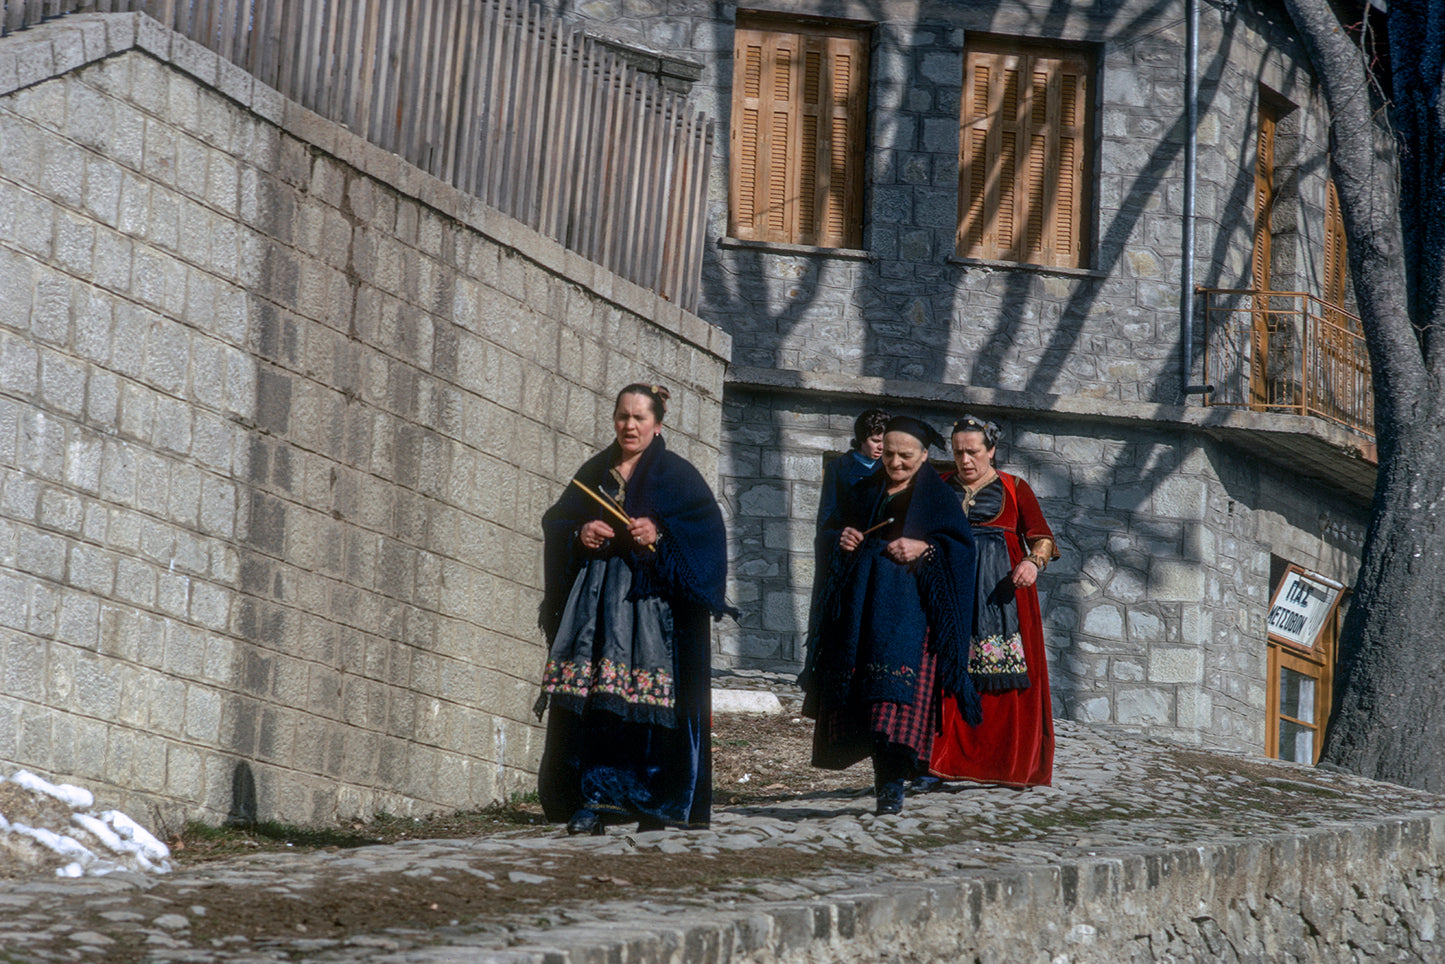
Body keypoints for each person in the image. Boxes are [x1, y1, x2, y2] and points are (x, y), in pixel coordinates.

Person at [536, 384, 735, 834]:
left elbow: (706, 536)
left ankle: (652, 799)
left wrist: (660, 536)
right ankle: (591, 799)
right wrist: (580, 533)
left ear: (657, 425)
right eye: (623, 417)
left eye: (639, 418)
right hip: (595, 613)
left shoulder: (678, 477)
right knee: (594, 702)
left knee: (645, 706)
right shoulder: (595, 471)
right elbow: (558, 520)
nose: (629, 426)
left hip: (653, 614)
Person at [800, 416, 978, 815]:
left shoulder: (938, 498)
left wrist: (925, 549)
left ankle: (892, 786)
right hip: (862, 611)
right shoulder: (864, 490)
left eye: (906, 456)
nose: (895, 463)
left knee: (894, 706)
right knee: (867, 703)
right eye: (890, 454)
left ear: (925, 455)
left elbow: (961, 550)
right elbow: (830, 530)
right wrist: (841, 538)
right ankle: (886, 780)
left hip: (910, 616)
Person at [930, 414, 1059, 787]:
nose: (965, 460)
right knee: (943, 670)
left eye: (972, 452)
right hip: (948, 594)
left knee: (1002, 680)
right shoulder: (939, 488)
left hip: (1001, 597)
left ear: (991, 451)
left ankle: (1003, 765)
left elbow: (1042, 537)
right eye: (958, 452)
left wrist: (1033, 562)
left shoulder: (1015, 488)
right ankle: (939, 761)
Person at [815, 408, 891, 531]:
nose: (881, 447)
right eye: (875, 441)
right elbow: (827, 514)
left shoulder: (890, 467)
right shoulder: (837, 467)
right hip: (848, 537)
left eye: (885, 441)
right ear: (861, 438)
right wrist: (827, 540)